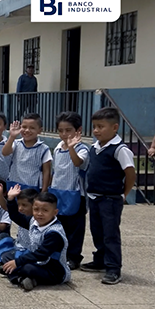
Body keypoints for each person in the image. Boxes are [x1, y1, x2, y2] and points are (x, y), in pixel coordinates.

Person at [81, 107, 135, 285]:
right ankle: (100, 260)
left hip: (110, 199)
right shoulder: (94, 147)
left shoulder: (120, 149)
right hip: (94, 197)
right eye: (94, 127)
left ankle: (113, 268)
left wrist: (123, 193)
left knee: (110, 234)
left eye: (101, 127)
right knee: (97, 231)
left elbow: (130, 173)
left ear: (114, 128)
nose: (96, 131)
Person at [2, 192, 71, 291]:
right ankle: (19, 275)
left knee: (27, 268)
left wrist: (17, 262)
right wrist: (11, 200)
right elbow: (16, 217)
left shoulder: (54, 233)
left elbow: (41, 254)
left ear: (55, 212)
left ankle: (17, 277)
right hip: (36, 262)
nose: (39, 214)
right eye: (36, 209)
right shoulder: (34, 221)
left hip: (54, 270)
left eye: (45, 210)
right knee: (7, 256)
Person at [48, 112, 89, 270]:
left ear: (78, 130)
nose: (64, 134)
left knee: (75, 228)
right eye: (61, 130)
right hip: (58, 192)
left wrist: (71, 147)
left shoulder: (82, 149)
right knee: (60, 226)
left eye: (68, 130)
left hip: (75, 194)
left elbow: (78, 162)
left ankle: (74, 256)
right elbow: (55, 171)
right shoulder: (58, 148)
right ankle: (60, 254)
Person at [0, 186, 38, 273]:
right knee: (2, 237)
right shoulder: (24, 216)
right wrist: (10, 199)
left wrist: (10, 199)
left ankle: (8, 268)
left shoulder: (34, 220)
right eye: (19, 205)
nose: (20, 208)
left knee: (6, 256)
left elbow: (14, 215)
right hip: (18, 245)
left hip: (28, 252)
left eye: (24, 205)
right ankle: (6, 266)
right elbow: (13, 213)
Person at [1, 113, 51, 192]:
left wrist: (44, 190)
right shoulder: (16, 143)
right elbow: (5, 152)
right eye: (24, 127)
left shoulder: (44, 149)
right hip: (14, 184)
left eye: (32, 128)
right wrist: (12, 136)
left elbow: (46, 171)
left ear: (39, 130)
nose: (27, 130)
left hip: (32, 186)